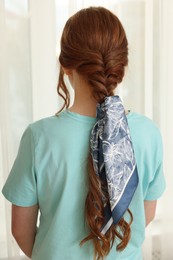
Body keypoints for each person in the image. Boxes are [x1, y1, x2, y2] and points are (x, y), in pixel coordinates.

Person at [2, 6, 165, 260]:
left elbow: (20, 229)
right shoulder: (148, 133)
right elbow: (146, 214)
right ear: (121, 65)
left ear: (66, 66)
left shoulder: (38, 137)